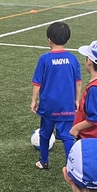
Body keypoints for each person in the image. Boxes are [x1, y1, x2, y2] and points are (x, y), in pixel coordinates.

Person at [31, 22, 82, 170]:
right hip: (66, 104)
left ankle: (44, 162)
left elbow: (37, 82)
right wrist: (76, 100)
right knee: (67, 135)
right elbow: (78, 82)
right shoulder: (72, 59)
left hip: (48, 104)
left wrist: (34, 100)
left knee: (45, 133)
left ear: (49, 40)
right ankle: (71, 167)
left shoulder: (44, 59)